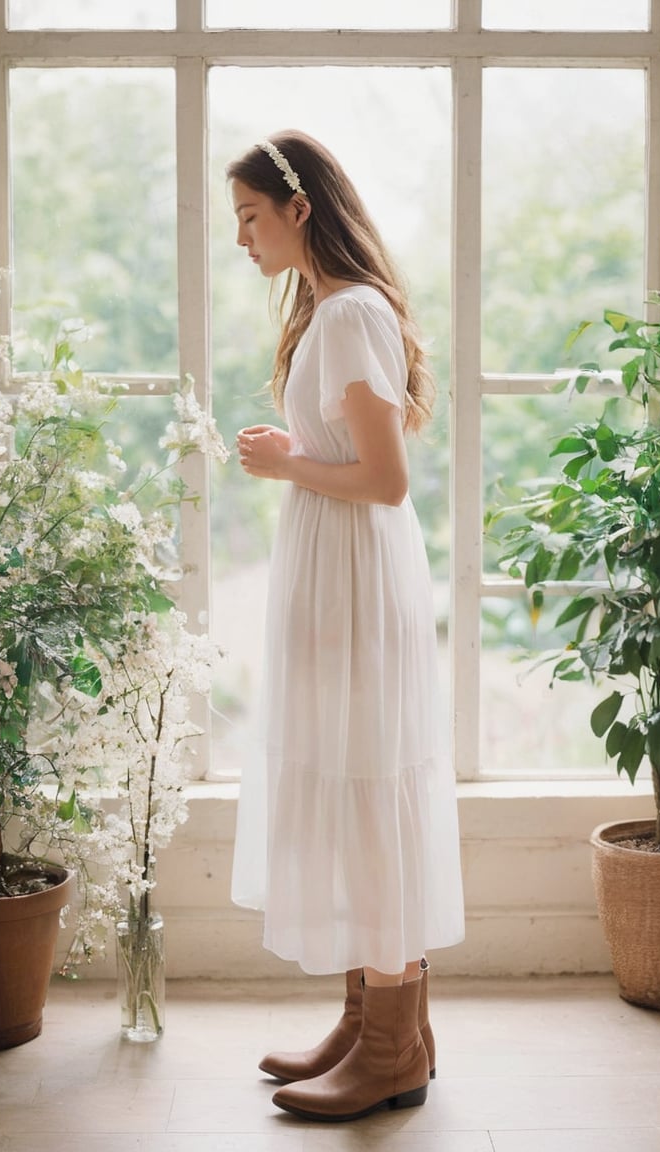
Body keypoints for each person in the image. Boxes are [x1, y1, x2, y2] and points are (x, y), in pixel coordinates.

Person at [228, 130, 464, 1123]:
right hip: (345, 573)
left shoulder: (351, 314)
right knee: (354, 781)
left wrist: (286, 465)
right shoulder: (336, 312)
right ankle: (372, 1021)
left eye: (249, 216)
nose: (240, 237)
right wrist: (295, 453)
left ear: (298, 209)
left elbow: (384, 478)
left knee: (366, 794)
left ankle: (390, 1051)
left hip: (360, 578)